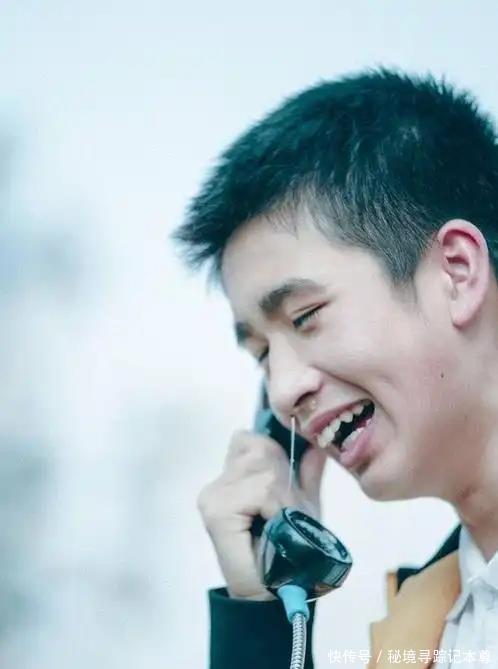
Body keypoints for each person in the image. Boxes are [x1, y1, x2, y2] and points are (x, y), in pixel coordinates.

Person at [171, 69, 498, 668]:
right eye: (262, 355)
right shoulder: (425, 631)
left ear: (456, 272)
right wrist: (264, 614)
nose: (282, 391)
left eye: (306, 317)